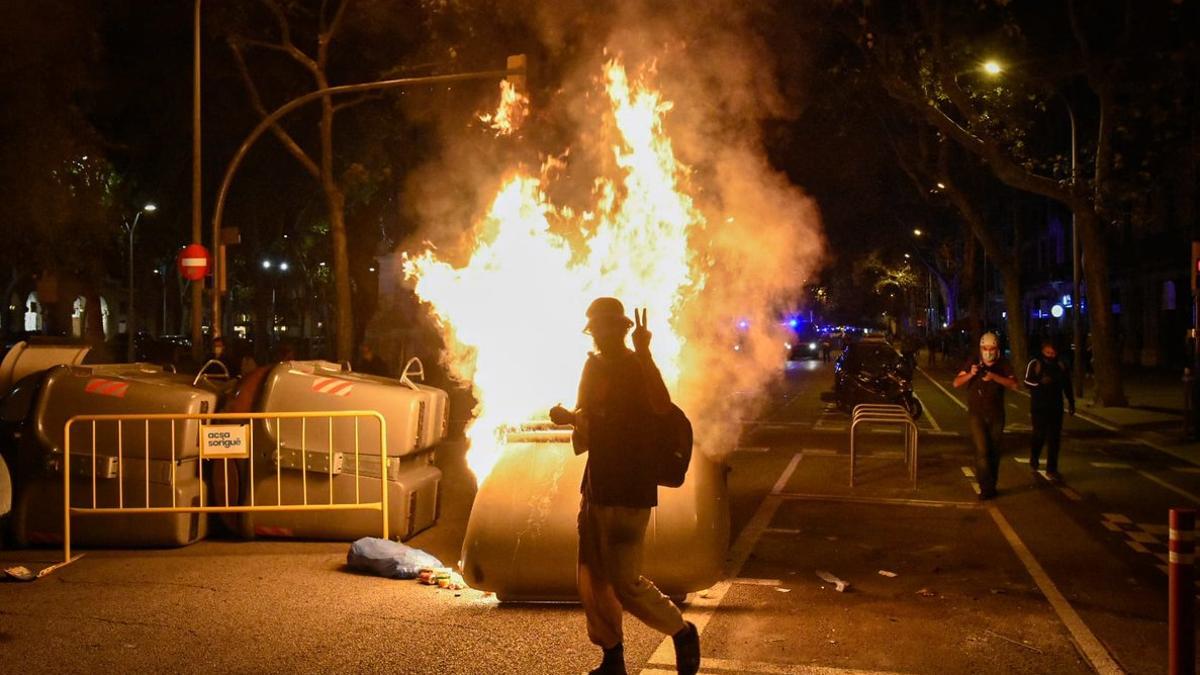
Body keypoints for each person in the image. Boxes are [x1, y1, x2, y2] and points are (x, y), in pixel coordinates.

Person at [549, 297, 700, 675]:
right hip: (597, 486)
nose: (602, 336)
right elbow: (589, 418)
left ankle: (680, 630)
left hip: (631, 487)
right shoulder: (592, 366)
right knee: (593, 577)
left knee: (624, 580)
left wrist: (646, 354)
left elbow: (662, 408)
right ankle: (612, 657)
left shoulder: (637, 365)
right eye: (598, 330)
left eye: (608, 328)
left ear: (622, 330)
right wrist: (569, 417)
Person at [953, 332, 1019, 500]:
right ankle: (985, 487)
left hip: (996, 414)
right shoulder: (974, 361)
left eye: (992, 349)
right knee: (981, 451)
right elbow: (956, 382)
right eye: (985, 348)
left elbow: (1014, 384)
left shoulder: (1003, 363)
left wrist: (995, 377)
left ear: (997, 349)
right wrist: (971, 373)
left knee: (994, 451)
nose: (988, 352)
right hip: (977, 414)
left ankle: (992, 485)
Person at [1024, 339, 1075, 481]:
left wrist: (1071, 402)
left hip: (1056, 407)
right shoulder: (1034, 363)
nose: (1050, 355)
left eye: (1053, 353)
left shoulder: (1061, 365)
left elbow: (1067, 385)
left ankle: (1052, 469)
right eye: (1048, 352)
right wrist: (1039, 383)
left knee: (1054, 439)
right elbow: (1026, 381)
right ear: (1042, 351)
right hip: (1039, 407)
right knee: (1039, 435)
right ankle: (1034, 457)